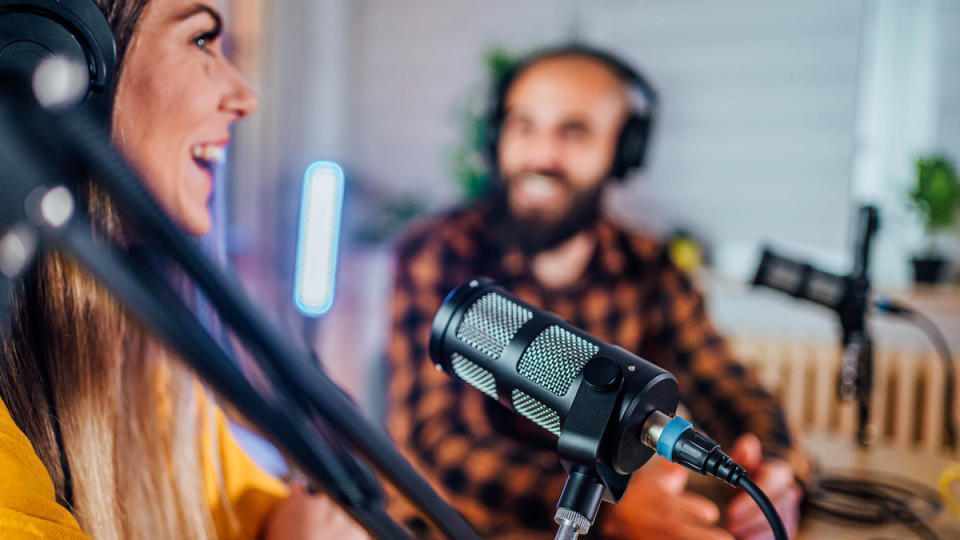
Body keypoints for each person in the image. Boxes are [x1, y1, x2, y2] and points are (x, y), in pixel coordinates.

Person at [386, 45, 811, 539]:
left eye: (574, 131)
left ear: (623, 151)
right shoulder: (439, 254)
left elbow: (728, 386)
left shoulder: (648, 268)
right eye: (524, 126)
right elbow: (437, 445)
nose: (542, 155)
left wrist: (778, 469)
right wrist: (610, 506)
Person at [0, 1, 365, 539]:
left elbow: (259, 507)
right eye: (200, 41)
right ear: (58, 58)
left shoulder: (143, 362)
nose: (246, 98)